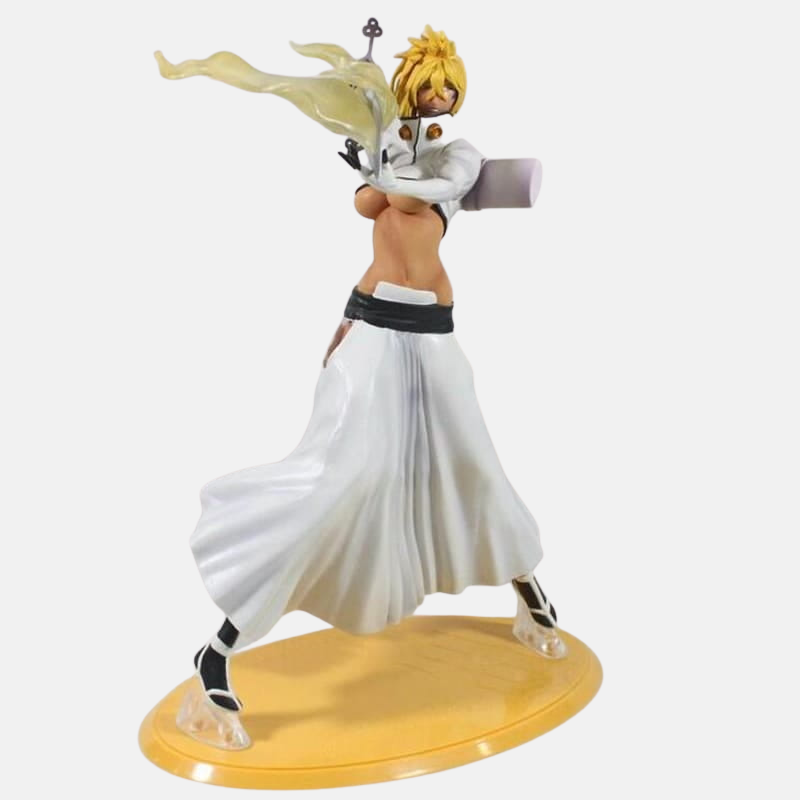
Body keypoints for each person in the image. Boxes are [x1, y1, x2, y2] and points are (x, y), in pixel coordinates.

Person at [157, 24, 566, 732]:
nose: (439, 97)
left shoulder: (455, 158)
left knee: (472, 464)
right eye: (429, 86)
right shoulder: (389, 154)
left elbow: (422, 192)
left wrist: (379, 162)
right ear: (409, 88)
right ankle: (219, 649)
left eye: (448, 88)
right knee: (342, 480)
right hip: (372, 327)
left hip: (432, 335)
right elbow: (371, 205)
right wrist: (374, 154)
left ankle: (529, 590)